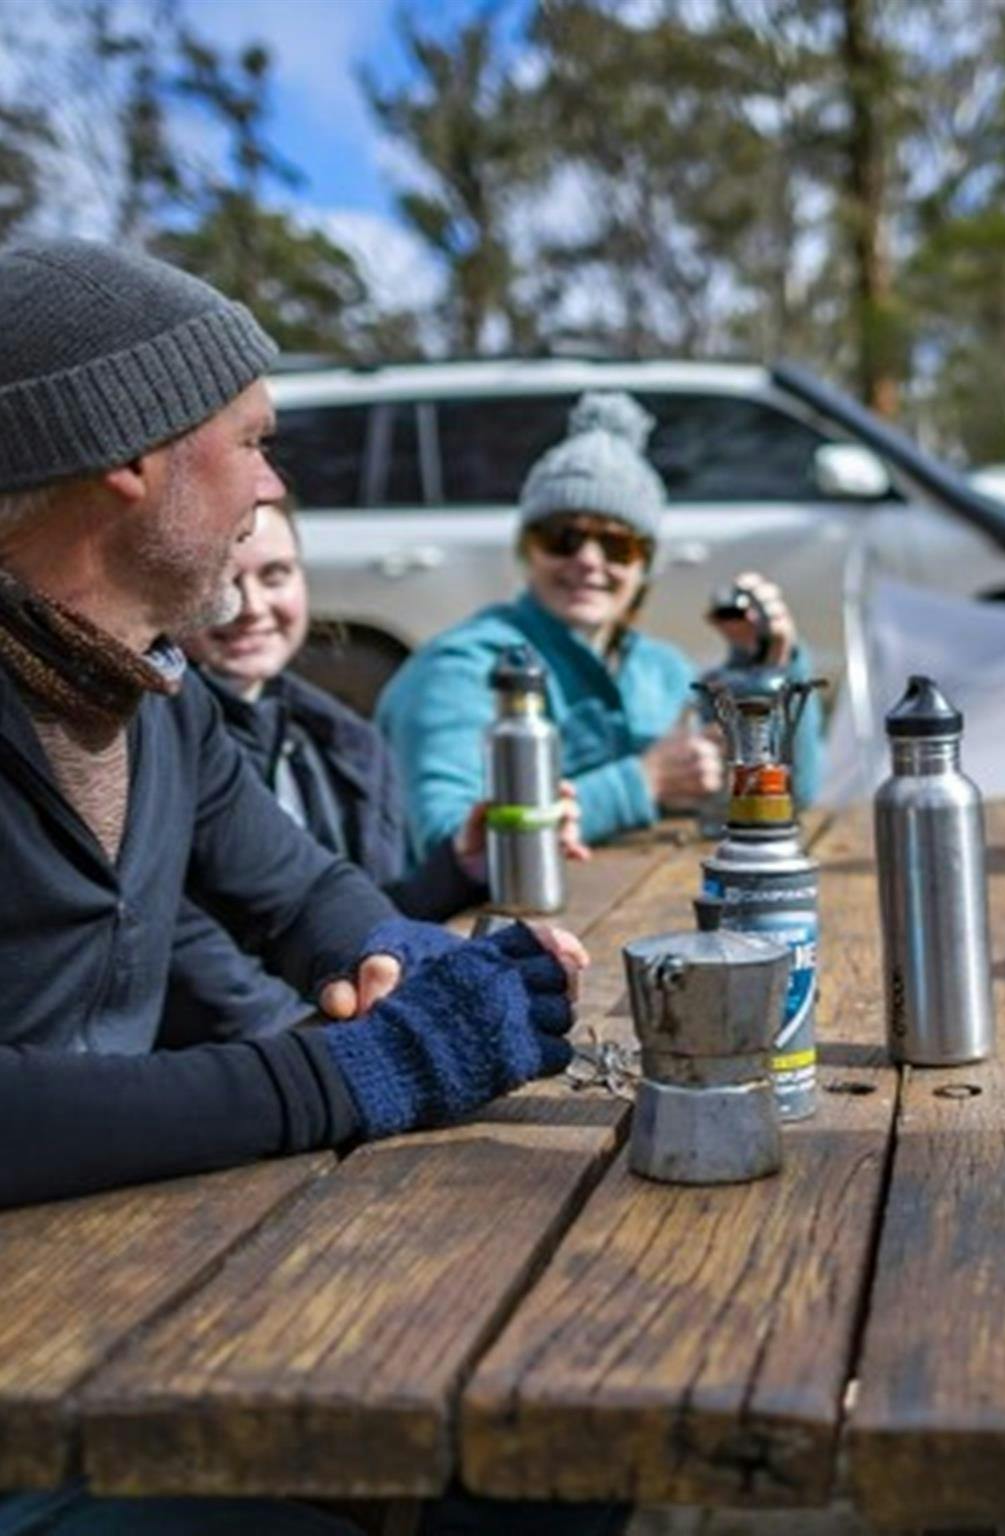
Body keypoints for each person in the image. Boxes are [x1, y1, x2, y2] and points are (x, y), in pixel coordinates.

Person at [0, 237, 616, 1533]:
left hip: (117, 1296)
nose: (274, 484)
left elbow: (299, 896)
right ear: (133, 453)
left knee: (554, 1432)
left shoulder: (150, 698)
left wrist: (439, 965)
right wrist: (356, 1073)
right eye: (254, 439)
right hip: (38, 1425)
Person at [162, 497, 591, 1045]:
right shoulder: (164, 745)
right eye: (225, 581)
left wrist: (460, 869)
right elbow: (208, 976)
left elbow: (358, 927)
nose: (251, 606)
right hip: (262, 1064)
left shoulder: (338, 738)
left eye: (275, 575)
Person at [377, 392, 821, 856]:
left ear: (644, 565)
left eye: (616, 546)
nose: (588, 562)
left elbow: (792, 795)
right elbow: (449, 841)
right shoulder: (460, 670)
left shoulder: (662, 670)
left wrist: (769, 668)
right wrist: (642, 783)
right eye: (563, 538)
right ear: (526, 551)